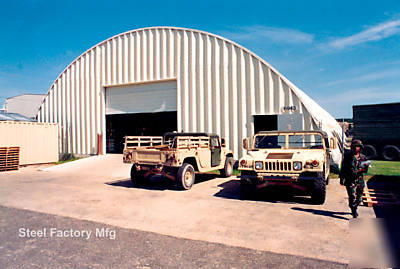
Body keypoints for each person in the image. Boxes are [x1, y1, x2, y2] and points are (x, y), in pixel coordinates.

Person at [340, 139, 368, 218]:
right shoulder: (348, 156)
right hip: (350, 180)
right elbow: (343, 168)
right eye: (355, 146)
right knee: (352, 196)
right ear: (352, 147)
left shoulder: (363, 158)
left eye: (358, 147)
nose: (356, 148)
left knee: (359, 198)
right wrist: (341, 178)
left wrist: (361, 169)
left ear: (360, 148)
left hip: (359, 180)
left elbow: (365, 170)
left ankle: (355, 206)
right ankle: (353, 210)